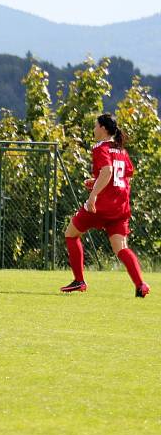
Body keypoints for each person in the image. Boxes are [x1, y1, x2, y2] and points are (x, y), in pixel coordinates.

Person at [61, 113, 150, 297]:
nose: (94, 130)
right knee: (121, 248)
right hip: (120, 207)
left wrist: (93, 195)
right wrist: (96, 182)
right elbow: (122, 176)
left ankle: (79, 281)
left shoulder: (101, 147)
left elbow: (108, 171)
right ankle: (141, 285)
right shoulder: (121, 151)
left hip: (101, 206)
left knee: (70, 234)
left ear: (103, 128)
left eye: (95, 126)